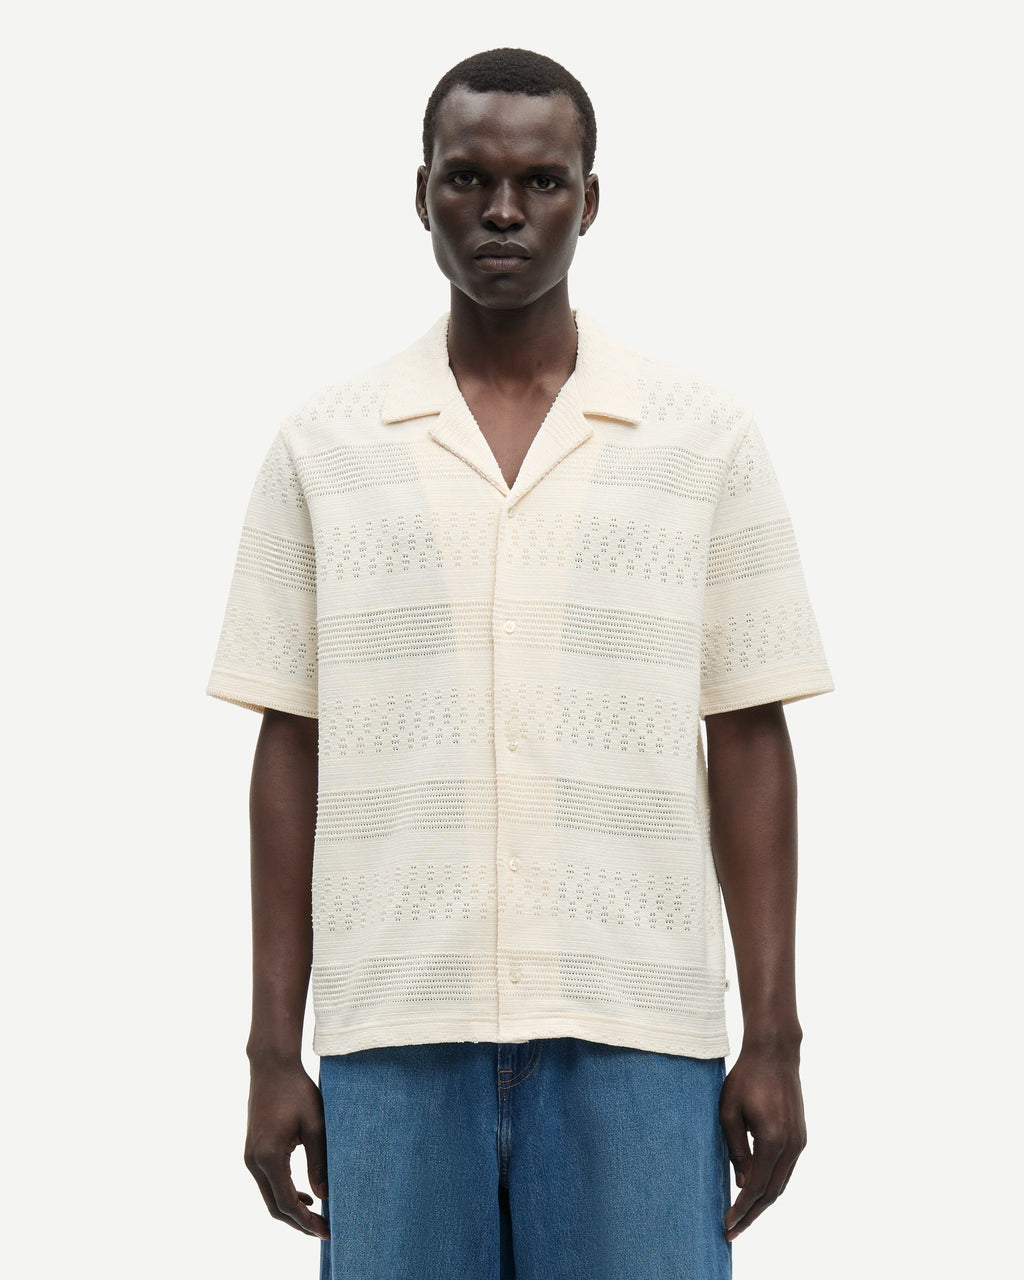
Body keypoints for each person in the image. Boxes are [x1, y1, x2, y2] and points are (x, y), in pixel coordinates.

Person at [206, 46, 834, 1280]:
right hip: (393, 1029)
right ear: (422, 193)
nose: (503, 210)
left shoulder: (701, 440)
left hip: (639, 1028)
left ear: (588, 200)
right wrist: (272, 1047)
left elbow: (748, 734)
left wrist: (775, 1031)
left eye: (540, 181)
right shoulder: (325, 446)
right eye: (469, 178)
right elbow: (291, 740)